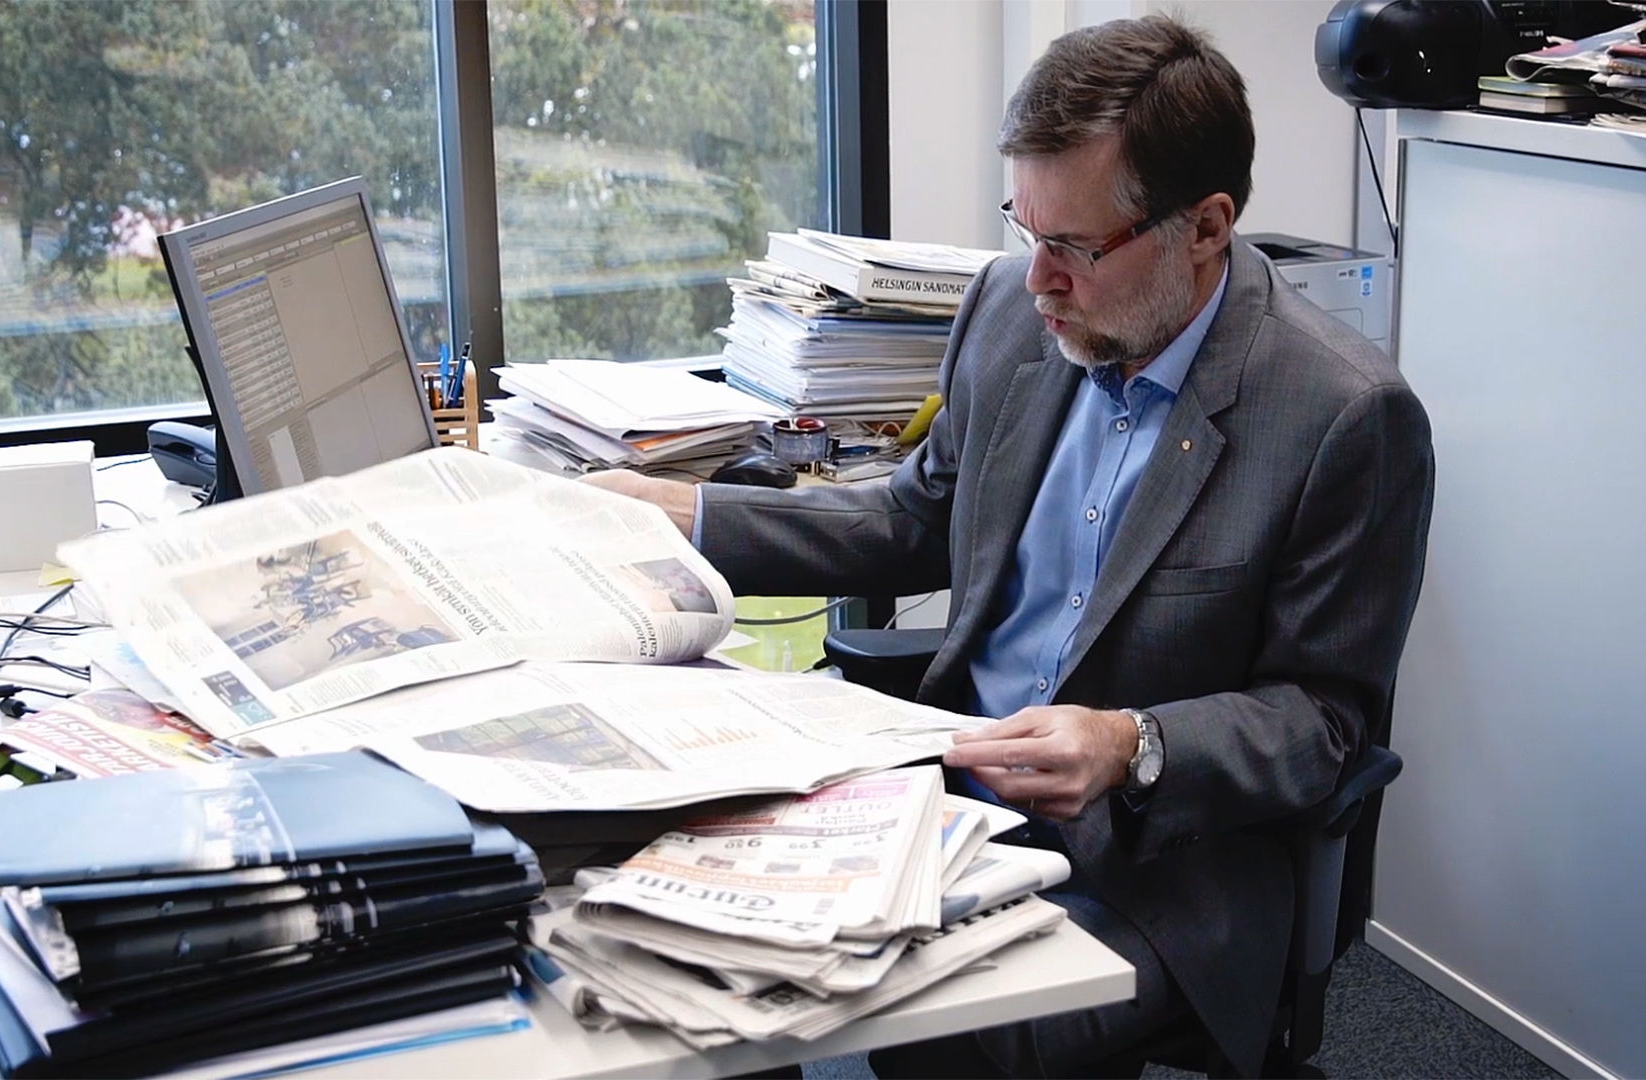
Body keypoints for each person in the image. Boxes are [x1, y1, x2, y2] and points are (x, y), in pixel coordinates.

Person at [584, 14, 1434, 1079]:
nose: (1038, 280)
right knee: (687, 936)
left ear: (1208, 227)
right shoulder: (1004, 310)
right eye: (1025, 230)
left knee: (942, 1025)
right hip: (948, 789)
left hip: (1163, 862)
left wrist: (1133, 744)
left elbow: (1326, 723)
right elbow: (916, 519)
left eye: (1074, 246)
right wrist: (683, 514)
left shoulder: (1344, 416)